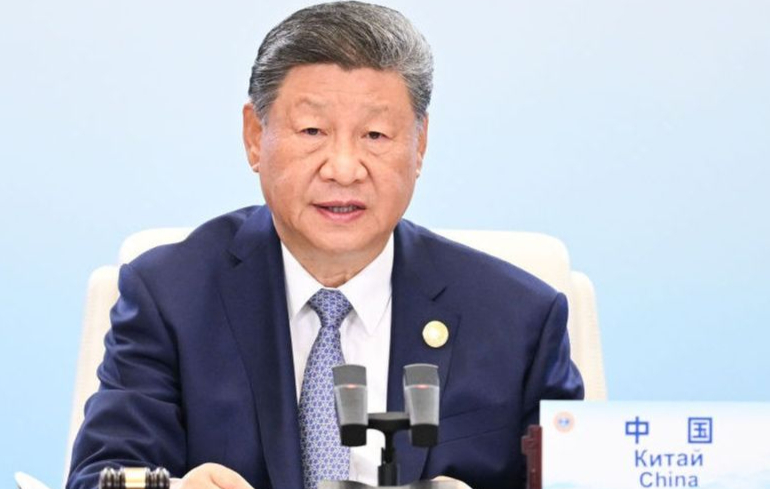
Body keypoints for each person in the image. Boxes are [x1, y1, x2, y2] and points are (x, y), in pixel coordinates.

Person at [66, 2, 584, 489]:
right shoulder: (171, 296)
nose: (343, 168)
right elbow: (103, 475)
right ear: (255, 136)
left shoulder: (520, 319)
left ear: (420, 144)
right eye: (312, 130)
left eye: (375, 136)